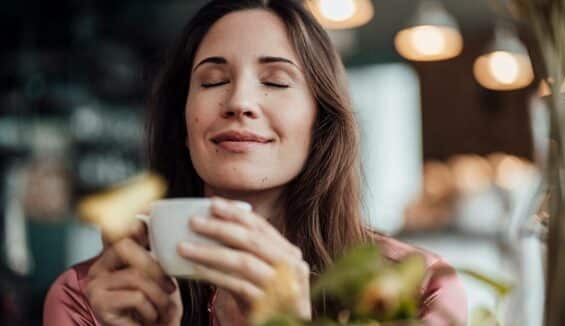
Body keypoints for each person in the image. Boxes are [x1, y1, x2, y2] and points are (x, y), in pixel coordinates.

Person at [43, 0, 467, 325]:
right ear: (183, 124)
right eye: (213, 81)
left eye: (276, 82)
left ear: (320, 123)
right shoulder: (85, 297)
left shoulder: (417, 285)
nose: (240, 102)